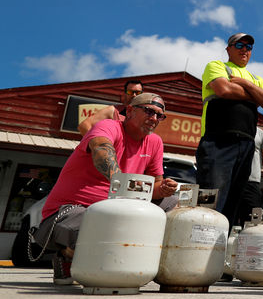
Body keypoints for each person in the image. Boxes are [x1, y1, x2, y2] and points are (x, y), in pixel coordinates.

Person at [34, 93, 178, 285]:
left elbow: (155, 186)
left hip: (120, 212)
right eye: (149, 111)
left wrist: (165, 189)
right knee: (103, 228)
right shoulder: (109, 126)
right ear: (130, 111)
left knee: (175, 205)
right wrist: (121, 186)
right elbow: (102, 149)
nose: (154, 119)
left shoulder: (155, 142)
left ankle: (164, 270)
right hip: (70, 212)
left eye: (159, 116)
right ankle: (66, 255)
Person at [196, 32, 263, 228]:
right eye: (239, 45)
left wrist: (246, 84)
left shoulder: (254, 78)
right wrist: (255, 95)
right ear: (228, 49)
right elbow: (224, 90)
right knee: (212, 197)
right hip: (219, 141)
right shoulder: (217, 66)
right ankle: (201, 243)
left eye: (248, 47)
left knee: (233, 201)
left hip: (247, 145)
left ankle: (221, 247)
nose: (244, 50)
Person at [238, 126, 263, 224]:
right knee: (228, 217)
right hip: (231, 181)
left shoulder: (262, 134)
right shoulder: (232, 127)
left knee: (252, 221)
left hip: (251, 183)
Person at [77, 79, 143, 135]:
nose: (134, 95)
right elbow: (84, 125)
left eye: (138, 93)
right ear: (125, 93)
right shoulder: (114, 110)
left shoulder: (148, 114)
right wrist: (96, 145)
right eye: (130, 92)